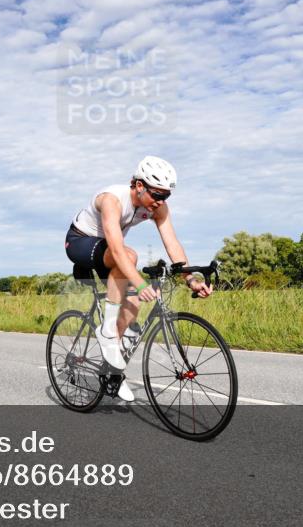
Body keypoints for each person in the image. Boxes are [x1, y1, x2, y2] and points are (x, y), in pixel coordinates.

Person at [64, 156, 212, 402]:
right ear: (138, 185)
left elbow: (173, 244)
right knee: (130, 256)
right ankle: (107, 331)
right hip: (80, 242)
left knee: (132, 303)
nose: (160, 202)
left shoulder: (158, 207)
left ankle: (112, 372)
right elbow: (118, 249)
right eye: (157, 195)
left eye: (166, 196)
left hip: (109, 251)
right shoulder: (112, 199)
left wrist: (191, 279)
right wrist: (141, 282)